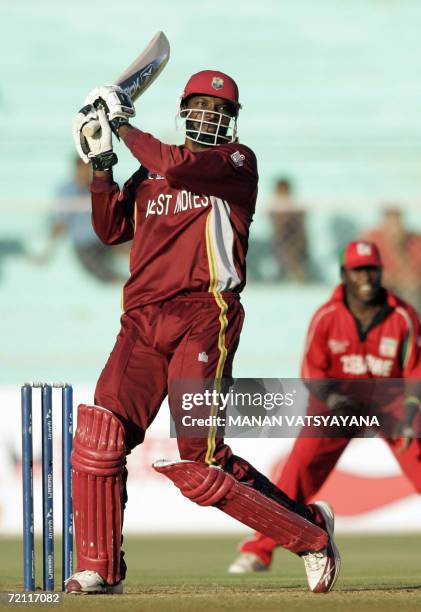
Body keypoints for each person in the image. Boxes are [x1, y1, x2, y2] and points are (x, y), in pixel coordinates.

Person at [67, 71, 340, 594]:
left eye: (221, 111)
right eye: (201, 107)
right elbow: (109, 230)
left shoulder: (234, 164)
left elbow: (173, 161)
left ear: (232, 122)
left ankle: (311, 536)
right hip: (141, 320)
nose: (210, 117)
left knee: (201, 458)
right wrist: (102, 168)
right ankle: (100, 568)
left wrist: (120, 123)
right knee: (100, 437)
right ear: (184, 111)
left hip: (204, 313)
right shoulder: (147, 177)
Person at [229, 240, 421, 573]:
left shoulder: (402, 316)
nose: (366, 277)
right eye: (358, 270)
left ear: (380, 272)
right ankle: (258, 550)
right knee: (297, 473)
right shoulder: (328, 316)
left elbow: (414, 370)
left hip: (388, 404)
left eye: (372, 270)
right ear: (344, 274)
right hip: (335, 404)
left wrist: (410, 413)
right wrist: (335, 401)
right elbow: (312, 371)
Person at [36, 157, 129, 284]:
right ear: (76, 169)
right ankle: (131, 284)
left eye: (87, 169)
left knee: (131, 245)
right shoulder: (67, 191)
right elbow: (60, 223)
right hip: (84, 246)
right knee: (102, 273)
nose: (84, 173)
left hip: (106, 237)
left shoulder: (104, 186)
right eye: (82, 169)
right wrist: (48, 250)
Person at [362, 207, 421, 312]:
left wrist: (399, 249)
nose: (394, 229)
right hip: (383, 289)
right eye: (390, 224)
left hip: (410, 292)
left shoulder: (415, 241)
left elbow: (415, 276)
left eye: (396, 224)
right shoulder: (372, 240)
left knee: (411, 291)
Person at [267, 177, 312, 282]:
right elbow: (277, 229)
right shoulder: (273, 208)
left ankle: (296, 273)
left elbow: (301, 228)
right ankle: (294, 273)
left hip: (296, 240)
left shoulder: (296, 208)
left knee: (293, 247)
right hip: (280, 241)